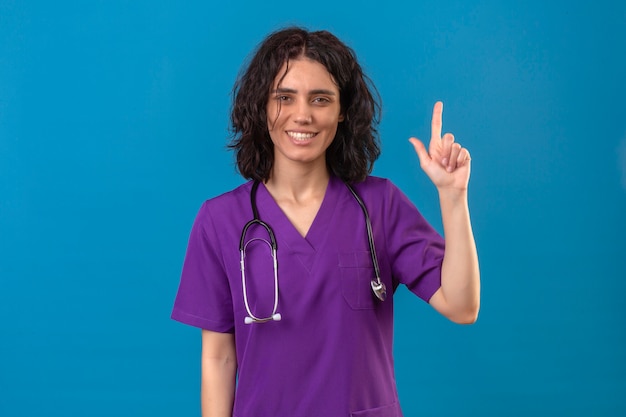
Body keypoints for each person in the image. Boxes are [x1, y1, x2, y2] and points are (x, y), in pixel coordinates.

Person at [171, 26, 480, 417]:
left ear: (342, 110)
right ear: (262, 106)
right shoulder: (221, 220)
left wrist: (453, 197)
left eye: (321, 99)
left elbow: (462, 305)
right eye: (284, 97)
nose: (303, 115)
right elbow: (218, 360)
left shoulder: (380, 205)